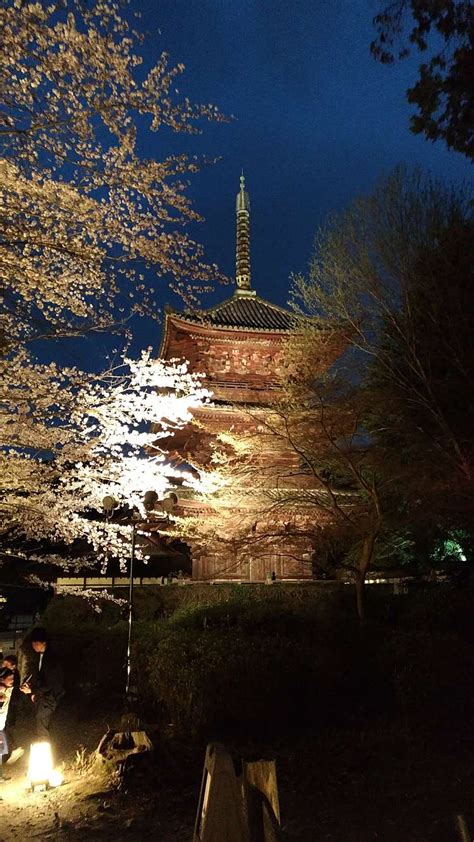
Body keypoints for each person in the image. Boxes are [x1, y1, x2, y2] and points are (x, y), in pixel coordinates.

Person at [20, 628, 64, 740]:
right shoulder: (42, 655)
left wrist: (32, 691)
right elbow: (42, 678)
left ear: (44, 642)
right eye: (33, 643)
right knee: (41, 724)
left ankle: (44, 751)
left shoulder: (51, 659)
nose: (34, 645)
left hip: (50, 698)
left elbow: (50, 683)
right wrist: (33, 689)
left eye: (36, 643)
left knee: (42, 725)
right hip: (45, 696)